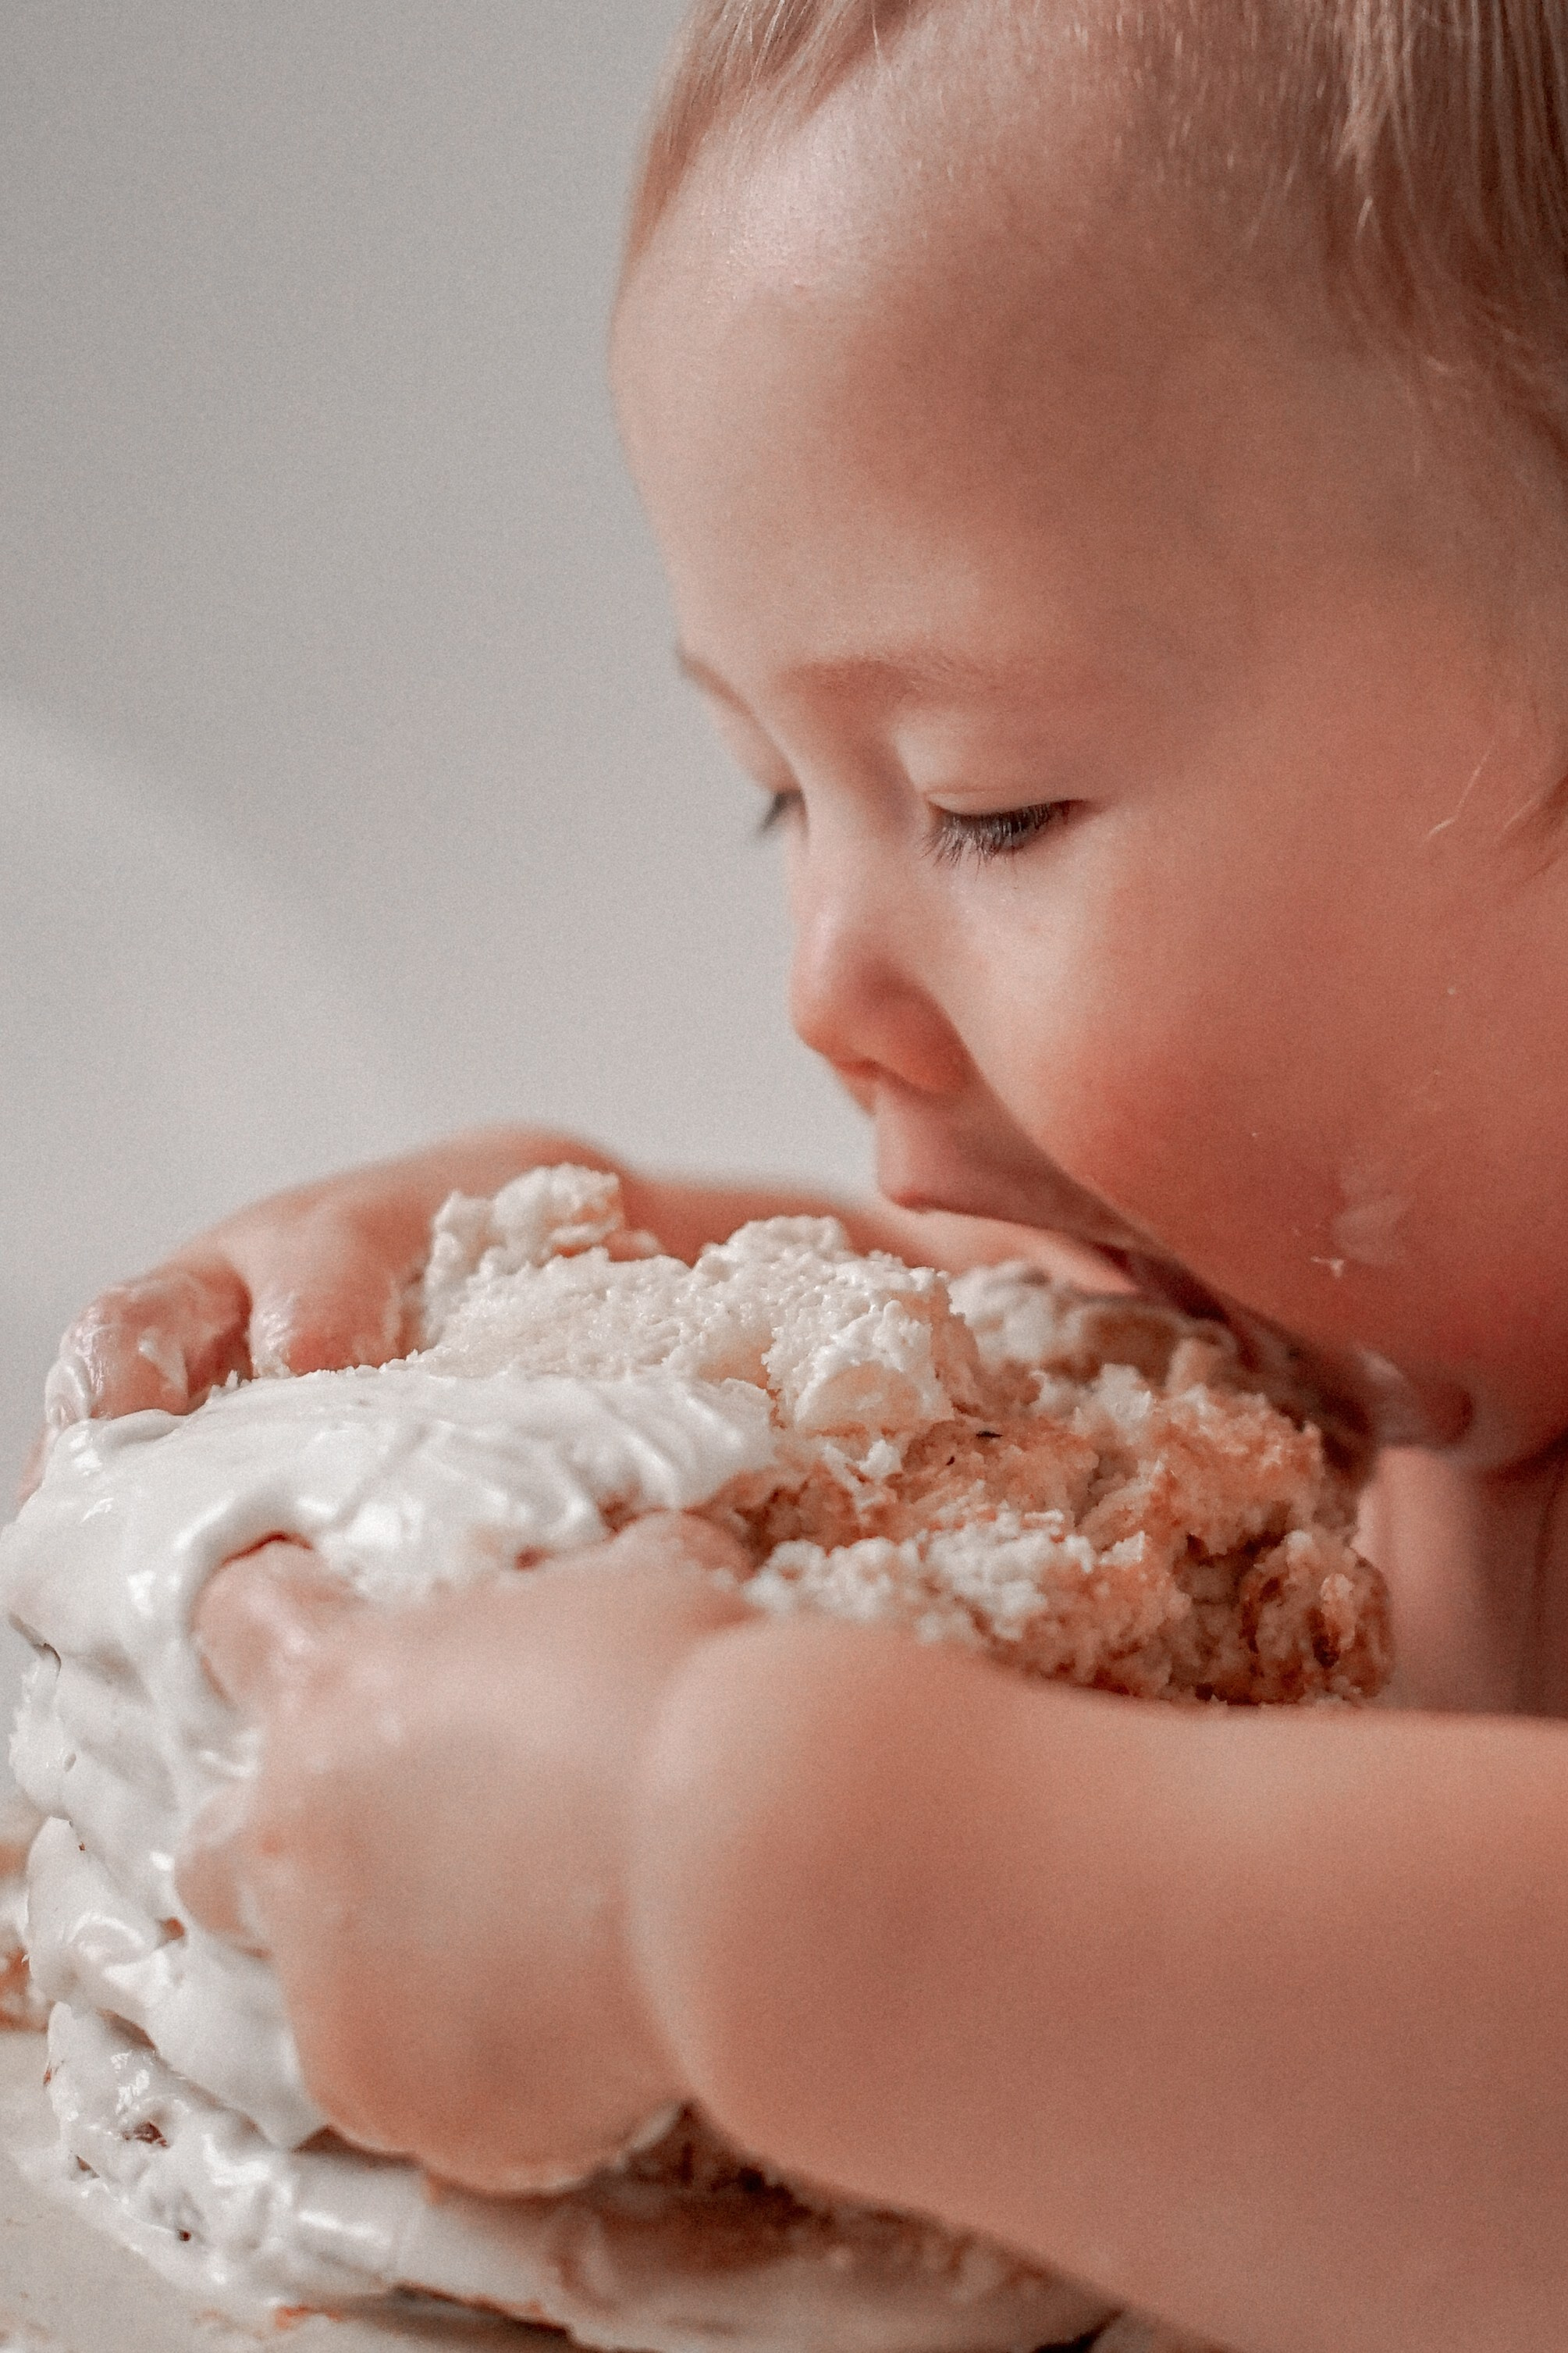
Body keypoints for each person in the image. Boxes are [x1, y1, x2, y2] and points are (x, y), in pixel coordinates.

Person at [34, 2, 1568, 2344]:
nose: (820, 985)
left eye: (984, 804)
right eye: (774, 789)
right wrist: (587, 1298)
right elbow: (1131, 1393)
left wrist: (727, 1867)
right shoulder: (1411, 1355)